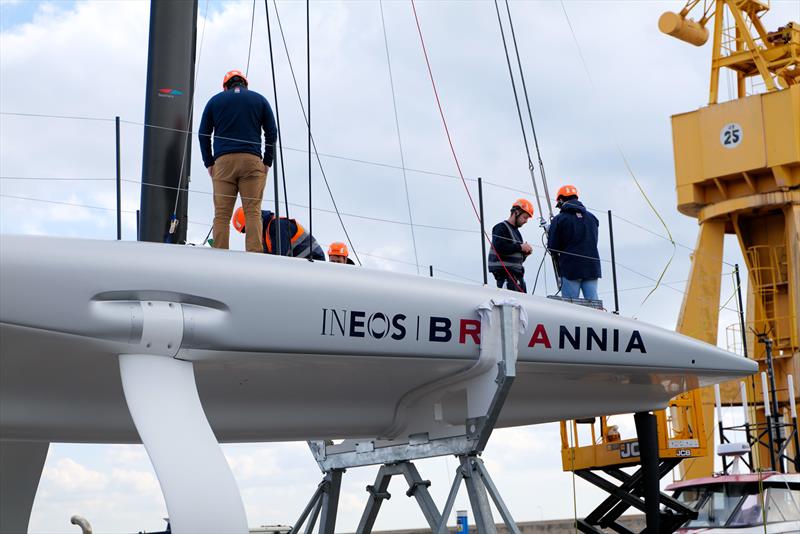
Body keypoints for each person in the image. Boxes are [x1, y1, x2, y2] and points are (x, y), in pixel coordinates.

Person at [199, 70, 278, 253]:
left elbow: (203, 133)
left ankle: (219, 255)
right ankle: (254, 256)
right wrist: (267, 161)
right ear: (245, 84)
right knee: (253, 212)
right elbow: (272, 132)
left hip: (223, 163)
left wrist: (209, 162)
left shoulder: (214, 101)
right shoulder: (260, 100)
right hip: (252, 161)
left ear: (225, 86)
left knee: (222, 215)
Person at [547, 185, 601, 300]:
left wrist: (550, 231)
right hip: (591, 267)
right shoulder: (593, 218)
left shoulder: (559, 219)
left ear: (561, 200)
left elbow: (553, 248)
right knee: (594, 306)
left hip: (570, 269)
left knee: (570, 308)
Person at [231, 207, 325, 260]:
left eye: (247, 229)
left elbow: (278, 259)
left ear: (254, 222)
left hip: (313, 261)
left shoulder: (278, 225)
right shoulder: (264, 234)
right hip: (301, 264)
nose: (248, 234)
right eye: (244, 232)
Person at [488, 199, 534, 292]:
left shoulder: (517, 232)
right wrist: (521, 247)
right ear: (516, 212)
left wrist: (524, 254)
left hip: (516, 277)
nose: (526, 221)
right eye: (525, 217)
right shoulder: (501, 227)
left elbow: (513, 255)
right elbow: (500, 247)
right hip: (505, 276)